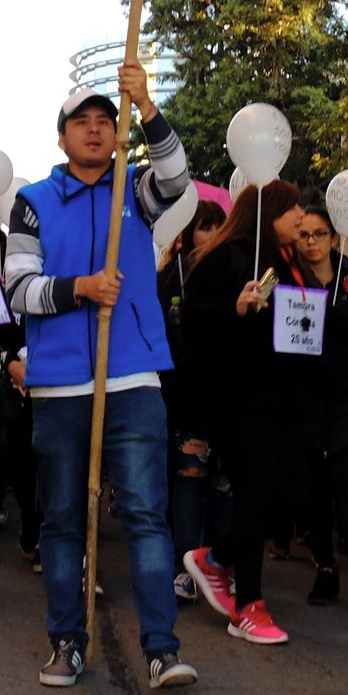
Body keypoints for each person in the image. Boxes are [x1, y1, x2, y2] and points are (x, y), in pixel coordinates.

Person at [6, 74, 198, 692]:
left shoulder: (133, 189)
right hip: (60, 383)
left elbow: (175, 180)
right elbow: (18, 289)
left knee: (146, 515)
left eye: (104, 119)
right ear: (62, 136)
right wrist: (81, 291)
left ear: (116, 133)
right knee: (61, 518)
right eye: (81, 121)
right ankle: (67, 641)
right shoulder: (32, 201)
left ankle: (162, 651)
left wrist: (145, 103)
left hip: (133, 375)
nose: (94, 127)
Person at [182, 180, 312, 645]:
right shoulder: (227, 254)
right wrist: (234, 309)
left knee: (288, 495)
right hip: (240, 399)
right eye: (292, 207)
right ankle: (249, 607)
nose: (301, 215)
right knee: (255, 495)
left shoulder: (292, 262)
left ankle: (215, 557)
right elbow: (190, 316)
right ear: (268, 211)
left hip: (287, 400)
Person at [289, 204, 348, 606]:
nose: (311, 242)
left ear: (332, 237)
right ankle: (325, 569)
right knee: (315, 489)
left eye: (319, 234)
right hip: (305, 398)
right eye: (304, 235)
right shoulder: (288, 278)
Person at [156, 198, 225, 602]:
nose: (212, 236)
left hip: (223, 390)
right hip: (181, 391)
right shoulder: (167, 278)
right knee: (187, 475)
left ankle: (216, 562)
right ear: (185, 233)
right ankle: (184, 563)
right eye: (204, 227)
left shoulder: (234, 272)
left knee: (221, 481)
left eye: (218, 227)